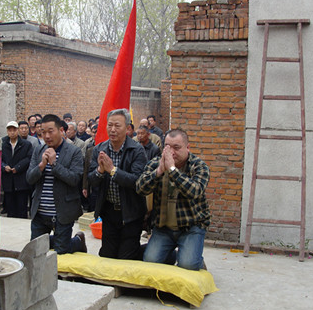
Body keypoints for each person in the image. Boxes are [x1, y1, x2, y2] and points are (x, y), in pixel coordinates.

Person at [136, 129, 210, 270]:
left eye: (177, 148)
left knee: (187, 265)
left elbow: (194, 191)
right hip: (163, 228)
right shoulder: (156, 163)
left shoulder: (198, 166)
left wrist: (172, 170)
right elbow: (140, 188)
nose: (172, 153)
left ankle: (195, 260)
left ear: (187, 148)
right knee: (150, 262)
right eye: (168, 148)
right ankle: (175, 254)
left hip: (191, 227)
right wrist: (158, 172)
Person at [88, 108, 147, 260]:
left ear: (128, 128)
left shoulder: (137, 150)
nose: (112, 130)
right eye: (110, 125)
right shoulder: (99, 149)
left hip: (131, 212)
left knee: (126, 257)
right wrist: (100, 171)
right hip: (108, 212)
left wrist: (113, 171)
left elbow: (137, 181)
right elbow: (91, 181)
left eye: (117, 126)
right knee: (107, 254)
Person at [26, 114, 86, 254]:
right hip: (40, 213)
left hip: (62, 212)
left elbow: (74, 179)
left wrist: (54, 164)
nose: (46, 136)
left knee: (61, 251)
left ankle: (77, 241)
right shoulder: (39, 150)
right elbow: (29, 178)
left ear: (61, 131)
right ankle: (60, 240)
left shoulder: (74, 152)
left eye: (50, 131)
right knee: (36, 250)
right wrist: (41, 166)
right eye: (43, 132)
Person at [2, 121, 33, 218]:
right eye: (10, 130)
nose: (12, 132)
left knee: (21, 208)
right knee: (10, 209)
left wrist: (18, 167)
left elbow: (29, 158)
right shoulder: (2, 144)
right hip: (8, 180)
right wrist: (4, 166)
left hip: (21, 180)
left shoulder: (26, 144)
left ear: (18, 130)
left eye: (14, 130)